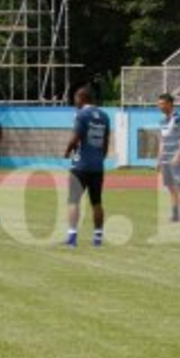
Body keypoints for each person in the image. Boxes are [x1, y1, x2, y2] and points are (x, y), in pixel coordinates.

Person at [64, 86, 111, 248]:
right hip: (97, 166)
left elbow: (75, 137)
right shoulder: (104, 116)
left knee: (73, 201)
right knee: (96, 202)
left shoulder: (81, 114)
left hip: (80, 165)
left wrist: (67, 151)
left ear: (82, 98)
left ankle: (72, 237)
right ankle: (97, 238)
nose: (74, 102)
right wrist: (100, 158)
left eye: (76, 98)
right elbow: (106, 142)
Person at [156, 93, 180, 223]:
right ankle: (175, 213)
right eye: (159, 104)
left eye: (162, 104)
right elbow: (162, 141)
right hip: (165, 158)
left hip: (177, 158)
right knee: (170, 186)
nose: (160, 106)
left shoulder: (179, 118)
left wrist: (178, 154)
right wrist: (158, 159)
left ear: (170, 104)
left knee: (179, 185)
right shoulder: (162, 121)